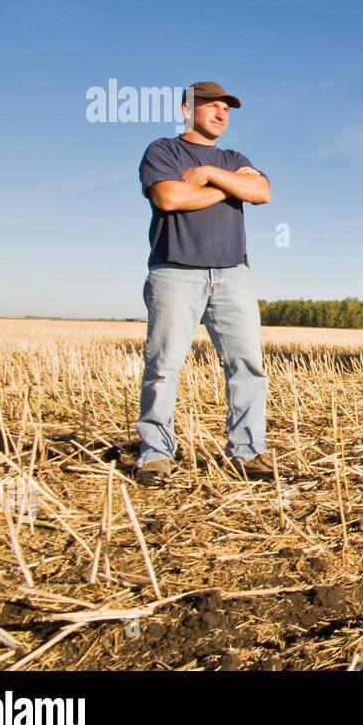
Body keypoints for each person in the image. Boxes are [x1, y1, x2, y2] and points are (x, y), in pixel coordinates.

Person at [134, 82, 274, 486]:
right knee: (163, 366)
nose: (221, 114)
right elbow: (169, 198)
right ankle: (156, 454)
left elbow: (262, 192)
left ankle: (246, 453)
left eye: (226, 109)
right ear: (185, 109)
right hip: (174, 270)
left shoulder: (233, 158)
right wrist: (231, 187)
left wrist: (211, 176)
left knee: (247, 366)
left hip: (233, 273)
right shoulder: (163, 151)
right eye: (211, 107)